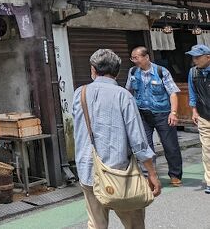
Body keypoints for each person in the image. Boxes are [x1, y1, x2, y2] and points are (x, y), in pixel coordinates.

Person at [73, 49, 161, 229]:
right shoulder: (123, 95)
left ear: (93, 70)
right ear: (117, 72)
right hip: (120, 173)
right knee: (134, 224)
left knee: (97, 224)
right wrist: (151, 173)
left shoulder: (79, 93)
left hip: (89, 170)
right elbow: (138, 140)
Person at [126, 46, 183, 186]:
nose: (134, 61)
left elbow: (173, 93)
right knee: (145, 146)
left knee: (170, 145)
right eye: (132, 58)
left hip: (163, 114)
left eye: (136, 57)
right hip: (142, 114)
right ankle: (150, 176)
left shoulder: (161, 71)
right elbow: (128, 92)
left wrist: (173, 113)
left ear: (146, 57)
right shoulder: (133, 72)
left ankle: (175, 175)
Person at [186, 44, 210, 194]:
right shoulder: (193, 72)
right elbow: (192, 93)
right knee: (207, 150)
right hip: (204, 116)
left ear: (208, 57)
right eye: (193, 57)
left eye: (197, 57)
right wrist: (194, 111)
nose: (194, 60)